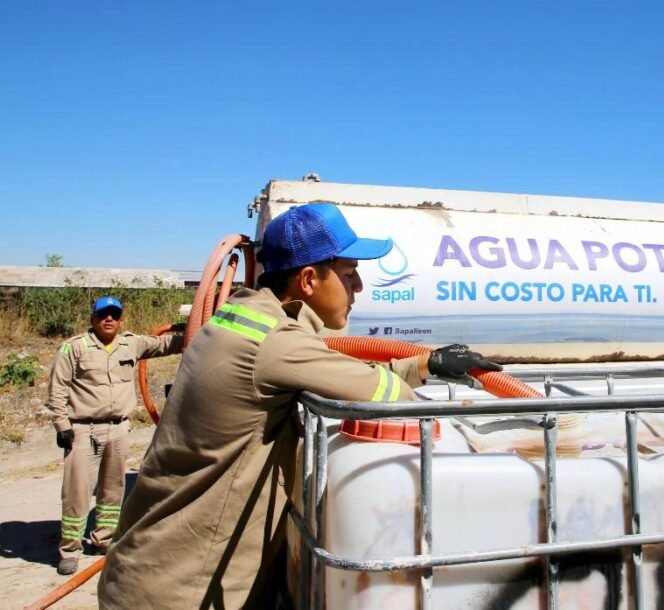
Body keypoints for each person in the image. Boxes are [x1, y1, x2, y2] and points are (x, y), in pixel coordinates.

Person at [98, 203, 501, 608]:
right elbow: (386, 394)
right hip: (182, 591)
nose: (358, 287)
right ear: (309, 279)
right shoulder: (275, 342)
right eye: (348, 274)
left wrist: (426, 362)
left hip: (149, 571)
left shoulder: (241, 319)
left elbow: (333, 370)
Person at [47, 296, 184, 576]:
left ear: (121, 320)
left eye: (114, 315)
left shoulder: (130, 343)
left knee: (113, 489)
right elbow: (57, 389)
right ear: (93, 319)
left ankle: (103, 540)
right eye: (103, 315)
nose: (109, 320)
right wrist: (62, 426)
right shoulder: (74, 348)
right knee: (77, 492)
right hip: (83, 429)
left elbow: (165, 345)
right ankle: (69, 549)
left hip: (118, 428)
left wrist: (191, 329)